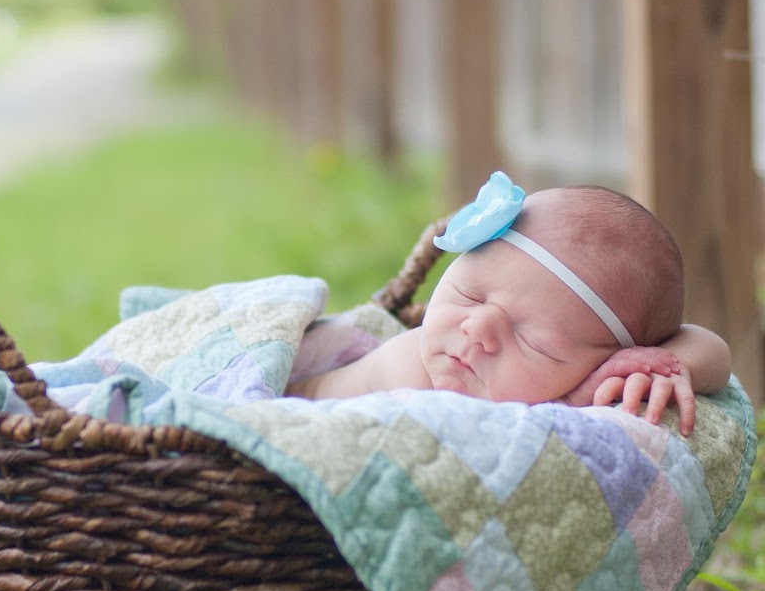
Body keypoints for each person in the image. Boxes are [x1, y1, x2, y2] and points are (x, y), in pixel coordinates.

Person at [287, 173, 732, 436]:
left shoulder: (574, 399)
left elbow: (712, 349)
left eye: (534, 343)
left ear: (604, 362)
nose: (477, 328)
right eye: (469, 294)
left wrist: (665, 368)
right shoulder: (417, 370)